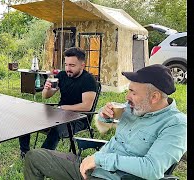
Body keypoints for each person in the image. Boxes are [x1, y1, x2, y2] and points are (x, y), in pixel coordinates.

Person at [23, 64, 187, 179]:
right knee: (34, 157)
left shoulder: (176, 125)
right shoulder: (135, 107)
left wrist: (100, 159)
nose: (127, 97)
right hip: (93, 167)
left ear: (154, 97)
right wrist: (103, 116)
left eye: (133, 92)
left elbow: (152, 169)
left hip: (115, 176)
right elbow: (103, 125)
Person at [19, 47, 97, 158]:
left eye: (72, 65)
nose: (68, 69)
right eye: (66, 64)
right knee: (26, 118)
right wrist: (47, 89)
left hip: (79, 119)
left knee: (56, 128)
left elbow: (87, 106)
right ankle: (25, 153)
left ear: (82, 65)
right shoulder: (62, 76)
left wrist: (64, 108)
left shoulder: (88, 80)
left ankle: (41, 158)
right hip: (60, 114)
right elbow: (46, 96)